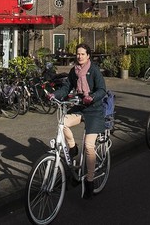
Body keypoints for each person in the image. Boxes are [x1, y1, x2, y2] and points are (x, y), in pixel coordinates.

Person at [52, 43, 107, 199]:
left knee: (89, 146)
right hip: (80, 108)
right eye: (78, 54)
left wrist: (92, 97)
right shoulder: (73, 71)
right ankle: (72, 147)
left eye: (82, 54)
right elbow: (67, 87)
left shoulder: (94, 70)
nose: (79, 56)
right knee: (63, 122)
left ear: (88, 56)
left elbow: (102, 90)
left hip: (94, 110)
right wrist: (54, 95)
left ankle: (89, 180)